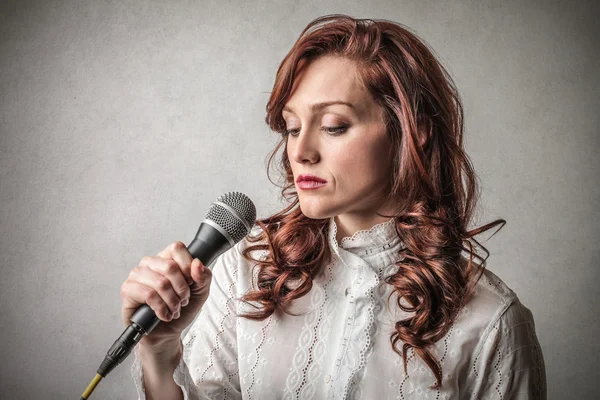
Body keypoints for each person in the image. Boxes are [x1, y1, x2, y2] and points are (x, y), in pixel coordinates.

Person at [122, 14, 546, 399]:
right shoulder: (244, 272)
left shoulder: (492, 323)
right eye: (291, 127)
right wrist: (159, 354)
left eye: (333, 126)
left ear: (413, 130)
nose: (300, 151)